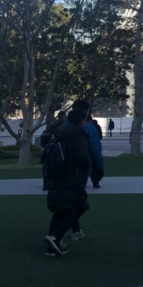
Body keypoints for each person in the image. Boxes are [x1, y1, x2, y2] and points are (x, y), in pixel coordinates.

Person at [43, 108, 90, 257]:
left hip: (55, 177)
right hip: (72, 178)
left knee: (59, 210)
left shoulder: (59, 134)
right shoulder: (79, 136)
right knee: (77, 208)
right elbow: (83, 159)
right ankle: (55, 237)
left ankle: (51, 246)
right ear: (82, 121)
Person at [41, 110, 67, 191]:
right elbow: (58, 133)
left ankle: (46, 183)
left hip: (45, 138)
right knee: (52, 159)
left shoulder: (55, 121)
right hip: (49, 139)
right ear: (63, 116)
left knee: (48, 159)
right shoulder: (61, 123)